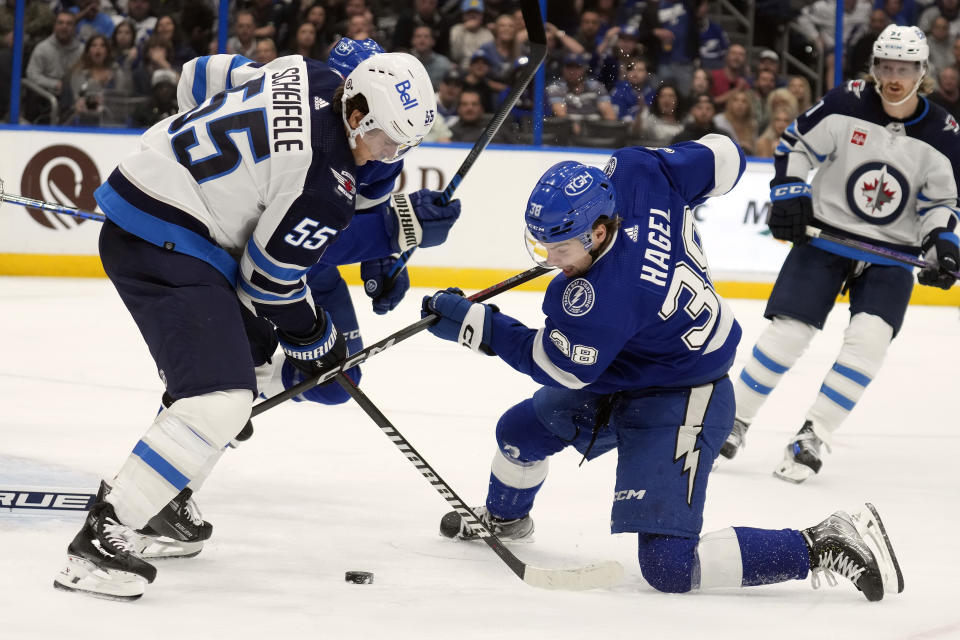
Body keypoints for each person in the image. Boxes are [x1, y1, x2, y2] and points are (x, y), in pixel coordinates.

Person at [420, 138, 904, 602]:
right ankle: (506, 521)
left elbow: (559, 367)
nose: (551, 260)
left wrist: (479, 326)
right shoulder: (636, 170)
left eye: (561, 249)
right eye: (545, 246)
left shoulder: (604, 300)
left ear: (600, 231)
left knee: (669, 567)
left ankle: (821, 541)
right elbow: (725, 156)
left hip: (684, 391)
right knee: (519, 432)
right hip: (636, 362)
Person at [52, 49, 445, 601]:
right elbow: (268, 283)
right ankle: (100, 541)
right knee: (221, 397)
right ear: (356, 114)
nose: (392, 155)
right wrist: (316, 337)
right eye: (388, 141)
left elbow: (200, 76)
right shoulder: (325, 182)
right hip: (165, 243)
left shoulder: (311, 73)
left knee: (254, 365)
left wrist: (189, 170)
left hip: (171, 222)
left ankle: (164, 500)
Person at [720, 25, 960, 483]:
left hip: (894, 255)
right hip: (826, 237)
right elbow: (796, 145)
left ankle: (814, 433)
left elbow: (942, 203)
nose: (894, 78)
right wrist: (790, 193)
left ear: (922, 71)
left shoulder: (943, 133)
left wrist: (942, 243)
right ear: (873, 68)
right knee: (786, 335)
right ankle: (733, 420)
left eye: (905, 69)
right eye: (886, 67)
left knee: (869, 342)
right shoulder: (846, 103)